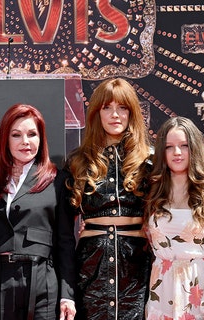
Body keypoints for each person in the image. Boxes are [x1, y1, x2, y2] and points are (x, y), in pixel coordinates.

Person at [0, 104, 77, 320]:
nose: (25, 141)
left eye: (32, 134)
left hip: (43, 283)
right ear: (5, 139)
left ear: (41, 138)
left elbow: (65, 242)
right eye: (16, 135)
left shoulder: (58, 181)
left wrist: (67, 295)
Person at [65, 78, 153, 320]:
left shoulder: (151, 161)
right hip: (91, 263)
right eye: (107, 107)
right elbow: (62, 228)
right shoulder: (78, 162)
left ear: (133, 112)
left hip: (138, 263)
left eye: (122, 107)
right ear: (96, 112)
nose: (115, 115)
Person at [145, 116, 204, 320]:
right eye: (169, 147)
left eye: (184, 145)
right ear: (162, 152)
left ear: (194, 148)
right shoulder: (153, 193)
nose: (177, 153)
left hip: (199, 289)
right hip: (162, 289)